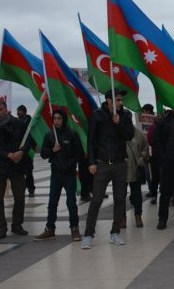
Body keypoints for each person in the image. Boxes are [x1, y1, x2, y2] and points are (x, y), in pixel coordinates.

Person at [81, 89, 135, 249]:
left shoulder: (126, 115)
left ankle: (115, 232)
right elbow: (91, 140)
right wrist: (91, 162)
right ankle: (88, 235)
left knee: (120, 199)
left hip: (120, 163)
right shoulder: (97, 115)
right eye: (118, 100)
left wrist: (119, 124)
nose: (121, 103)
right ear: (109, 101)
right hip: (102, 164)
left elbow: (129, 135)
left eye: (121, 100)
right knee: (96, 200)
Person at [0, 98, 31, 239]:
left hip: (16, 165)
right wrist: (7, 154)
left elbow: (28, 140)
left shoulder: (17, 123)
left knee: (19, 197)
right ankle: (1, 227)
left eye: (0, 110)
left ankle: (17, 224)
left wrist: (22, 152)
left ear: (6, 109)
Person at [35, 109, 83, 241]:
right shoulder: (50, 135)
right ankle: (50, 228)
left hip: (69, 173)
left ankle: (74, 228)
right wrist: (53, 150)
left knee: (71, 201)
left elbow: (79, 154)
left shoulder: (72, 134)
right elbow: (43, 154)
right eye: (54, 118)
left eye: (59, 118)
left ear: (64, 119)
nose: (56, 121)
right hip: (56, 172)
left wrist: (70, 163)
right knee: (52, 201)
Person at [153, 107, 174, 230]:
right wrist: (162, 158)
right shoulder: (164, 121)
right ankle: (162, 219)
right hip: (168, 160)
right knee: (166, 191)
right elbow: (157, 141)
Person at [125, 112, 150, 229]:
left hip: (135, 169)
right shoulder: (117, 132)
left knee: (137, 194)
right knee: (120, 195)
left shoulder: (138, 133)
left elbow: (145, 147)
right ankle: (122, 217)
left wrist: (142, 157)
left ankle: (138, 216)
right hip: (121, 169)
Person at [16, 105, 36, 197]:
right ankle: (21, 189)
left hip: (28, 151)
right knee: (19, 172)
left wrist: (31, 147)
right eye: (17, 111)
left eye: (19, 111)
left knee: (28, 172)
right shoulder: (16, 122)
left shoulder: (30, 122)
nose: (18, 113)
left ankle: (31, 189)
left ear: (24, 111)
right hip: (19, 150)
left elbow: (32, 136)